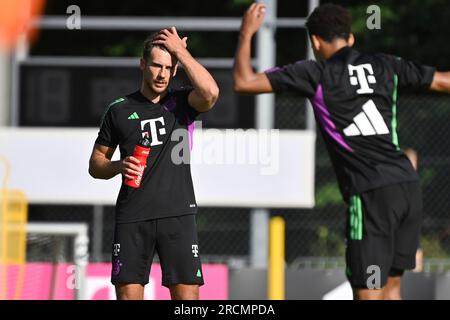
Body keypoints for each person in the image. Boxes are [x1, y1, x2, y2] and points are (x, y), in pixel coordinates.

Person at [233, 3, 450, 300]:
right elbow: (442, 80)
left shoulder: (314, 73)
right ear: (350, 39)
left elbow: (243, 82)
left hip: (372, 193)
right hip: (407, 186)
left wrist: (246, 33)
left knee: (368, 292)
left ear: (315, 42)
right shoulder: (386, 64)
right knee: (391, 288)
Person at [89, 27, 219, 300]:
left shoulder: (184, 102)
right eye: (156, 66)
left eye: (168, 68)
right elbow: (96, 164)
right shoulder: (118, 109)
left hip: (178, 214)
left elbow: (210, 91)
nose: (162, 74)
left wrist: (181, 53)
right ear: (142, 65)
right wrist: (118, 166)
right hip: (132, 216)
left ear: (175, 71)